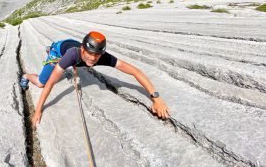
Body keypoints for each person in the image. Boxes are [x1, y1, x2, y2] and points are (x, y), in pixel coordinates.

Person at [19, 31, 170, 127]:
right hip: (60, 51)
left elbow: (135, 71)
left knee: (77, 65)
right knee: (41, 83)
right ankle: (27, 74)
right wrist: (38, 110)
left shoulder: (101, 57)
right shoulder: (73, 55)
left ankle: (59, 54)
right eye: (89, 54)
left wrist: (156, 98)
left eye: (96, 55)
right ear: (83, 50)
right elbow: (51, 83)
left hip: (72, 45)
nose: (92, 58)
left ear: (101, 54)